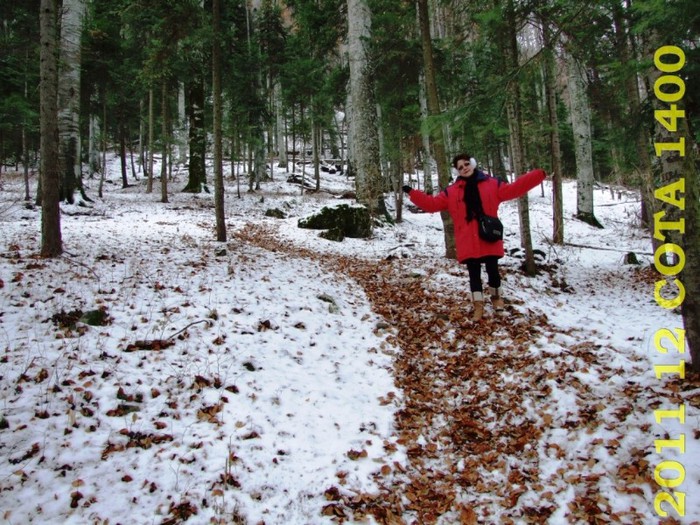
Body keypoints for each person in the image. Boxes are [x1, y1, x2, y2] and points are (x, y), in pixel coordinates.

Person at [403, 153, 546, 321]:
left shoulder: (492, 184)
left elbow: (514, 189)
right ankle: (478, 306)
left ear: (473, 164)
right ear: (457, 171)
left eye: (466, 164)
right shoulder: (452, 192)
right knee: (474, 274)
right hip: (467, 239)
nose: (464, 168)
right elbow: (432, 204)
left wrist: (538, 175)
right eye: (460, 167)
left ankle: (497, 299)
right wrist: (412, 192)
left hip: (488, 235)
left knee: (493, 271)